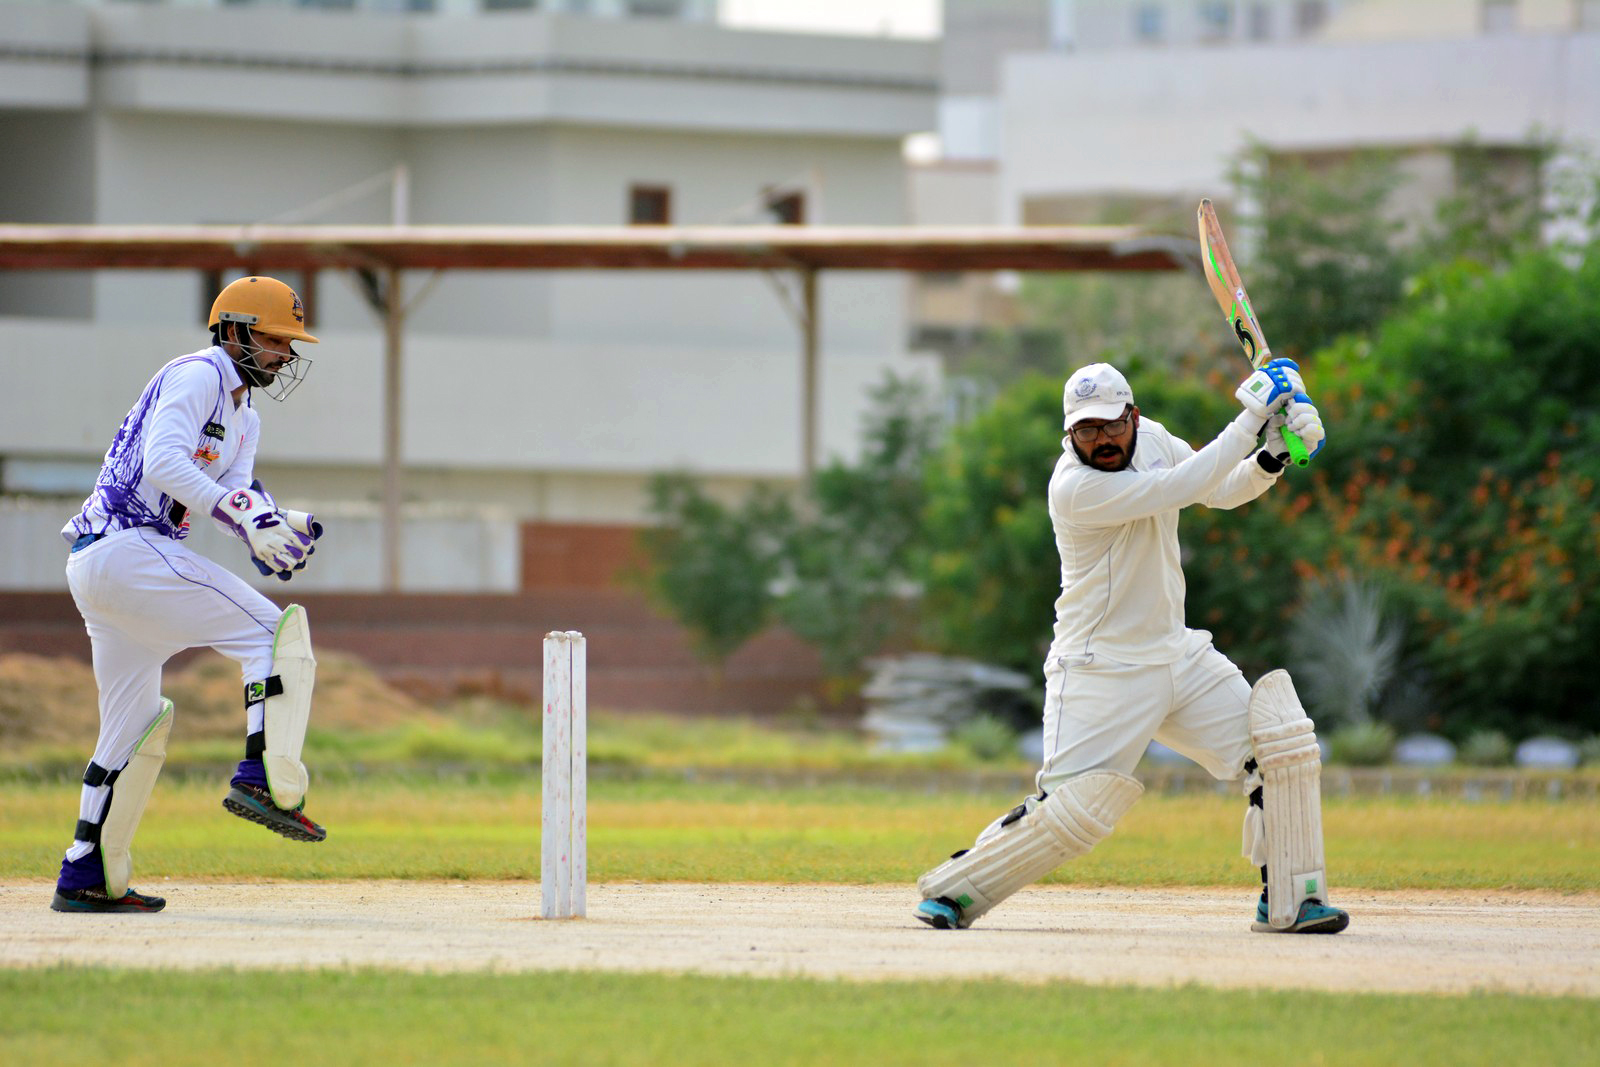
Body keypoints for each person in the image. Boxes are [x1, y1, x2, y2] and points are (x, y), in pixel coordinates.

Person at [914, 360, 1348, 935]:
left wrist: (1273, 457)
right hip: (1100, 669)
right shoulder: (1074, 487)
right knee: (1071, 812)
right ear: (1070, 434)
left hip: (1178, 655)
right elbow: (1178, 487)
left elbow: (1218, 489)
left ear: (1133, 416)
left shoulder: (1156, 440)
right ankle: (955, 889)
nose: (1101, 439)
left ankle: (1293, 900)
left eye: (1111, 425)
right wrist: (1251, 418)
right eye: (1086, 429)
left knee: (1279, 750)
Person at [51, 276, 329, 914]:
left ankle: (86, 872)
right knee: (274, 636)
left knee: (134, 725)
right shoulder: (199, 374)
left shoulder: (245, 416)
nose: (284, 353)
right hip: (125, 547)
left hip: (111, 567)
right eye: (274, 338)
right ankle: (264, 779)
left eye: (288, 342)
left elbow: (234, 493)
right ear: (232, 331)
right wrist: (240, 512)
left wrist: (267, 522)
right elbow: (162, 462)